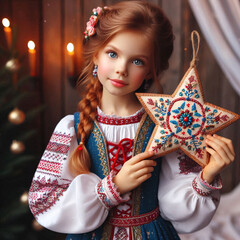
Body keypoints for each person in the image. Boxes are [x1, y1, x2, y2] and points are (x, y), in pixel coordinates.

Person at [28, 1, 235, 239]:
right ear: (96, 55)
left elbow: (176, 208)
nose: (121, 69)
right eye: (113, 54)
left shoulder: (166, 127)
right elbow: (43, 200)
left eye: (137, 61)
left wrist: (207, 176)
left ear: (150, 70)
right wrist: (111, 188)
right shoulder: (71, 129)